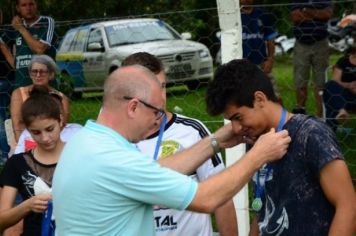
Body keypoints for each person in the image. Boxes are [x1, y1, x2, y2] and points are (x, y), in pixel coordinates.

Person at [52, 65, 291, 235]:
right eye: (156, 111)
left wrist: (215, 141)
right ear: (133, 107)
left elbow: (154, 171)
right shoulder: (114, 160)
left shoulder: (86, 141)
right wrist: (258, 155)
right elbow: (206, 199)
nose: (160, 120)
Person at [205, 59, 356, 236]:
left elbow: (348, 206)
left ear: (259, 99)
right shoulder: (257, 143)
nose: (236, 128)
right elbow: (265, 209)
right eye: (231, 121)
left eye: (238, 117)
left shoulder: (311, 134)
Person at [122, 52, 238, 236]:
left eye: (162, 87)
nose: (160, 99)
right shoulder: (114, 141)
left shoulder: (192, 131)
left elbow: (222, 197)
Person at [0, 85, 64, 235]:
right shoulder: (17, 163)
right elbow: (2, 220)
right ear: (28, 130)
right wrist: (27, 206)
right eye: (36, 132)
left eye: (50, 129)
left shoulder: (78, 156)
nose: (45, 138)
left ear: (60, 120)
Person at [10, 55, 69, 143]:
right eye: (34, 71)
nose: (38, 75)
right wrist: (23, 148)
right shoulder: (18, 93)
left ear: (51, 74)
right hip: (24, 142)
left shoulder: (61, 98)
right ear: (30, 74)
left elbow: (62, 125)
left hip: (52, 142)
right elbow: (17, 124)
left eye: (42, 71)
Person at [291, 0, 333, 117]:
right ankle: (301, 112)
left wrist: (306, 11)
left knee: (320, 81)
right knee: (300, 80)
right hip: (301, 43)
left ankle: (320, 115)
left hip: (321, 43)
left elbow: (327, 15)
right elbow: (295, 17)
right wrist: (317, 14)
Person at [10, 0, 57, 88]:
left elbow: (40, 49)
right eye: (24, 5)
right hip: (21, 84)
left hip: (44, 85)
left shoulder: (46, 21)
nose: (28, 8)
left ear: (36, 5)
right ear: (18, 8)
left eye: (31, 4)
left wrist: (22, 29)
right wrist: (15, 64)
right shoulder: (14, 26)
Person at [323, 46, 356, 131]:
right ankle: (342, 111)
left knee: (331, 102)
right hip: (344, 95)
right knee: (330, 85)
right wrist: (348, 85)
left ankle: (328, 136)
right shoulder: (343, 61)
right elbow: (336, 80)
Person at [0, 8, 15, 163]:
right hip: (10, 79)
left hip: (6, 80)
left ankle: (5, 154)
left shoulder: (7, 32)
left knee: (2, 118)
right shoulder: (8, 32)